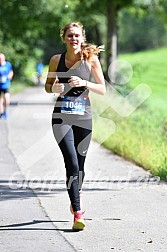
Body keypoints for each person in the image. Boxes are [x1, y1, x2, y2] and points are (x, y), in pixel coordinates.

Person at [45, 22, 106, 231]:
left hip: (84, 118)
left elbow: (103, 89)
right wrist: (54, 87)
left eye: (77, 36)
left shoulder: (91, 60)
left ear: (83, 38)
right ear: (64, 38)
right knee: (70, 161)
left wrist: (84, 83)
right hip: (61, 118)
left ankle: (75, 196)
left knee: (80, 166)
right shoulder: (56, 60)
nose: (73, 39)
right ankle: (78, 214)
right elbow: (47, 86)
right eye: (70, 35)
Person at [0, 53, 14, 119]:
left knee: (7, 99)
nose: (0, 60)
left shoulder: (8, 64)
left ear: (4, 58)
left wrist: (10, 75)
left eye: (1, 58)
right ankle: (1, 112)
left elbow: (11, 71)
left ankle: (5, 111)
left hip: (6, 85)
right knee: (0, 100)